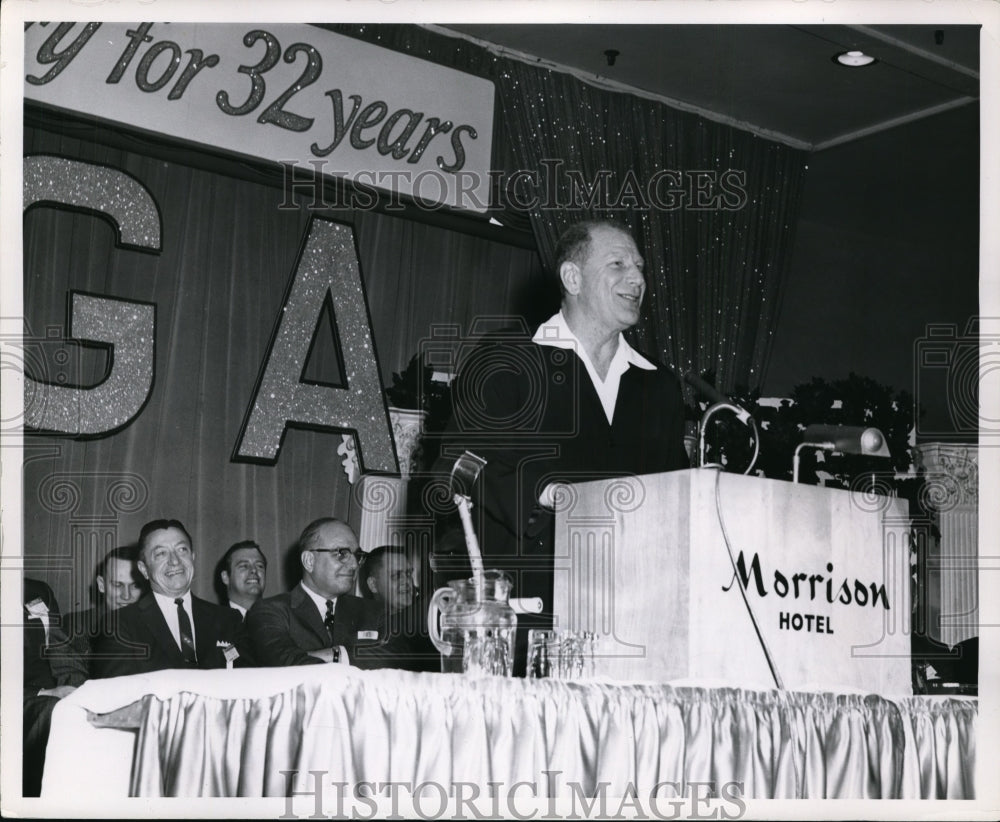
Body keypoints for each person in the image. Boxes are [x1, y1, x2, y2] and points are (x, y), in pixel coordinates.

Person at [436, 220, 689, 671]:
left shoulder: (660, 386)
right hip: (526, 621)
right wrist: (545, 493)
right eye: (618, 265)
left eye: (640, 267)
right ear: (572, 278)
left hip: (632, 624)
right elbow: (456, 465)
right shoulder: (507, 360)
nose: (637, 279)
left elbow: (674, 495)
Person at [91, 519, 254, 677]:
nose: (175, 561)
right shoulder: (121, 624)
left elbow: (249, 684)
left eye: (182, 550)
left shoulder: (228, 620)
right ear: (144, 569)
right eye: (161, 553)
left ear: (193, 557)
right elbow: (117, 694)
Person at [246, 518, 370, 666]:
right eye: (341, 554)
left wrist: (336, 655)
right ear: (309, 561)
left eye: (357, 555)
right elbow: (281, 663)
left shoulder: (374, 612)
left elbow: (395, 655)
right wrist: (343, 657)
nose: (354, 564)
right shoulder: (270, 611)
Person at [22, 577, 88, 796]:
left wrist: (77, 690)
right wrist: (41, 693)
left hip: (48, 689)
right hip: (20, 698)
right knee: (53, 712)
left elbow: (60, 650)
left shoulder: (37, 591)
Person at [63, 545, 145, 674]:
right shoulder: (76, 626)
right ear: (101, 585)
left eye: (135, 585)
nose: (126, 596)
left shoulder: (156, 624)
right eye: (118, 585)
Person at [357, 546, 438, 672]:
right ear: (373, 584)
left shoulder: (427, 620)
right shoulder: (358, 623)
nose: (406, 581)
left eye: (408, 573)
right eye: (396, 575)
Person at [216, 539, 267, 619]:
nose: (254, 570)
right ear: (225, 577)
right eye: (244, 566)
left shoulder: (281, 620)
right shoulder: (213, 623)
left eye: (259, 566)